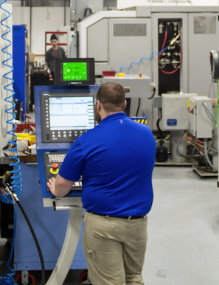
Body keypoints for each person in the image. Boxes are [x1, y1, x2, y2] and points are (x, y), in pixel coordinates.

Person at [48, 82, 156, 285]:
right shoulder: (146, 134)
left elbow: (62, 187)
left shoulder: (86, 141)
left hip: (103, 227)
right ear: (124, 104)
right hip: (138, 225)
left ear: (98, 106)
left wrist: (55, 187)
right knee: (134, 278)